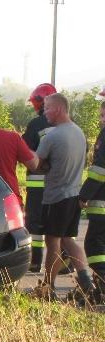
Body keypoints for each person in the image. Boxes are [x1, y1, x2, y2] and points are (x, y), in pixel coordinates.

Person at [32, 93, 93, 300]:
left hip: (56, 197)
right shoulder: (79, 132)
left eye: (47, 107)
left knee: (53, 242)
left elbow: (35, 164)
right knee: (69, 239)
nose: (44, 111)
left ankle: (47, 288)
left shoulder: (53, 136)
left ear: (58, 109)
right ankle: (86, 281)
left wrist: (42, 165)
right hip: (74, 194)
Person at [23, 83, 57, 272]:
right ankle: (64, 263)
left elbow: (24, 149)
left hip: (37, 184)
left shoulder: (35, 124)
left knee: (35, 223)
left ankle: (35, 261)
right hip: (60, 183)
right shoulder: (67, 123)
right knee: (58, 223)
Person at [79, 101, 105, 302]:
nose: (101, 119)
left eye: (104, 116)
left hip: (102, 202)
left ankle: (102, 287)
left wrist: (84, 195)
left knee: (94, 246)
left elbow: (98, 171)